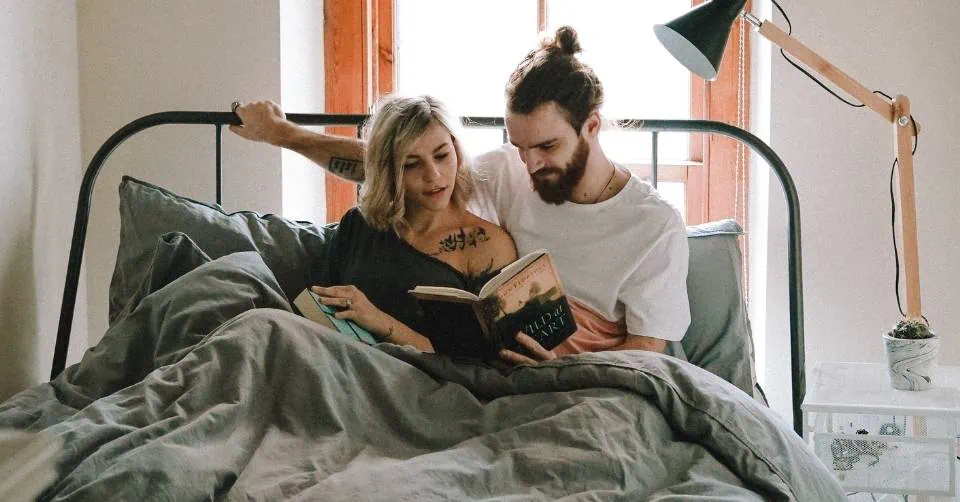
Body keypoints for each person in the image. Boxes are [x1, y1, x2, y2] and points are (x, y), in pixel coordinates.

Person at [230, 26, 690, 365]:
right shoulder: (509, 171)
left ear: (591, 126)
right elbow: (390, 159)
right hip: (507, 371)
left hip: (590, 378)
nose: (530, 164)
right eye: (519, 145)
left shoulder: (654, 225)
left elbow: (648, 351)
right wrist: (282, 134)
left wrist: (564, 370)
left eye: (547, 147)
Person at [306, 94, 519, 356]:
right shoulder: (359, 224)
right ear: (388, 169)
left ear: (456, 149)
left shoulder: (488, 245)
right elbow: (316, 312)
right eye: (411, 164)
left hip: (425, 384)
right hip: (340, 361)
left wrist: (378, 320)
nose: (433, 176)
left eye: (441, 156)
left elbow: (483, 364)